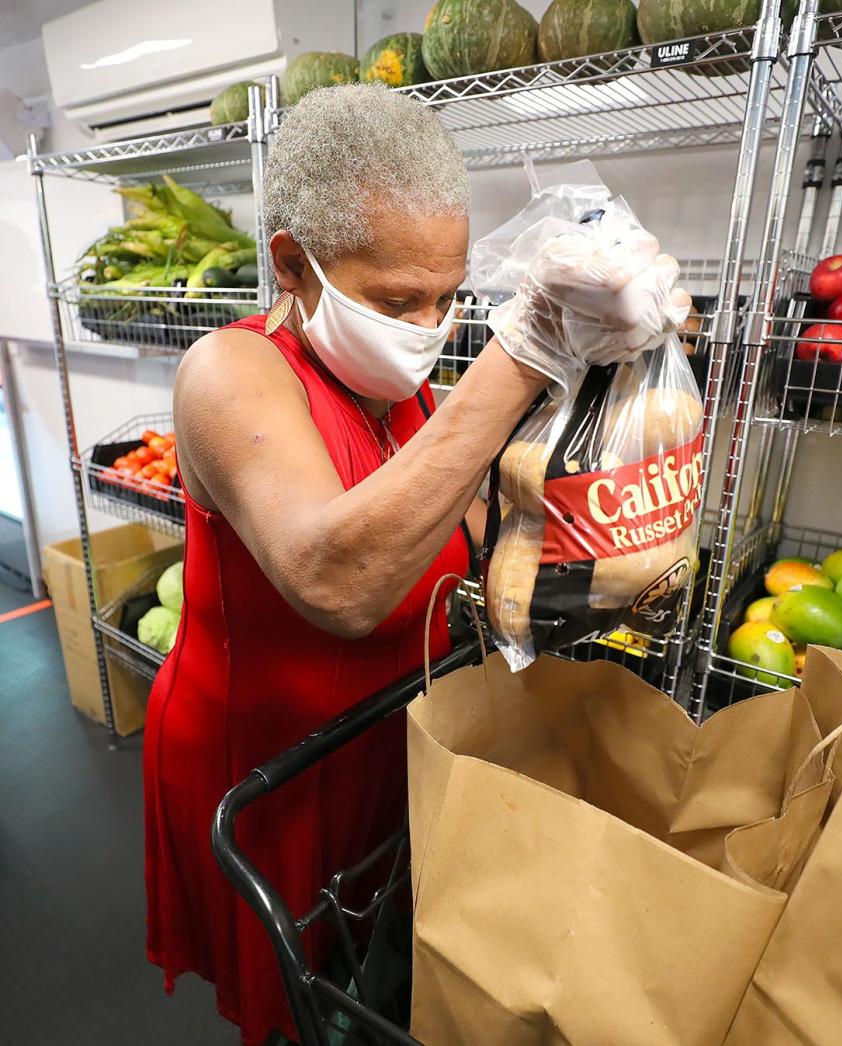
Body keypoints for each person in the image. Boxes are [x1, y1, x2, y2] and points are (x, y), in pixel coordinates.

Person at [143, 83, 686, 1046]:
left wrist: (597, 521)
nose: (429, 325)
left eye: (447, 294)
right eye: (398, 299)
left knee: (371, 968)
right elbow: (336, 582)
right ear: (292, 265)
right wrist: (523, 355)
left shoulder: (397, 382)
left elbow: (456, 519)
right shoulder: (229, 375)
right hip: (269, 759)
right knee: (296, 999)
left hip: (383, 736)